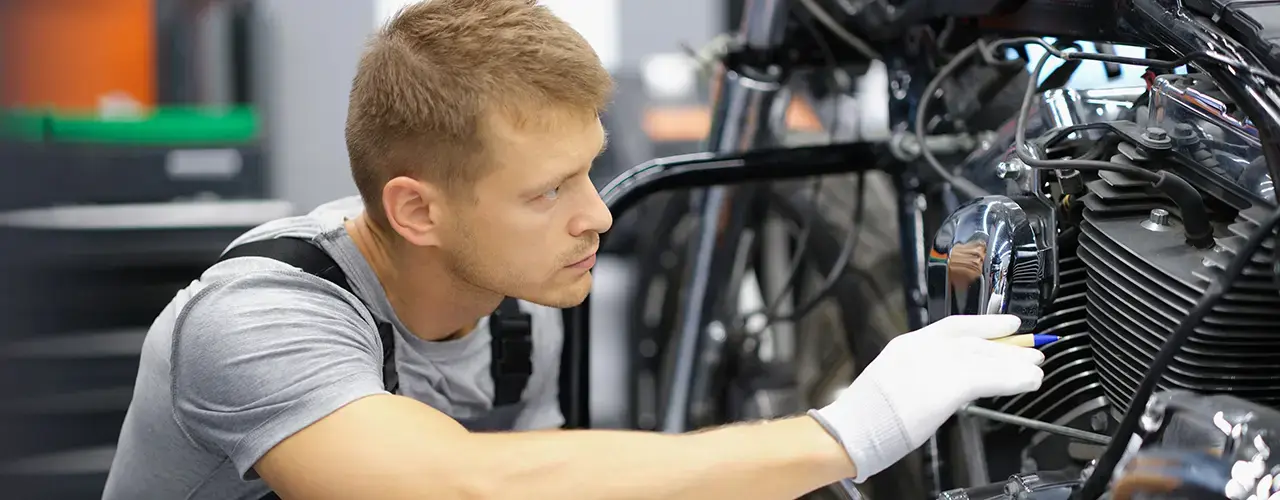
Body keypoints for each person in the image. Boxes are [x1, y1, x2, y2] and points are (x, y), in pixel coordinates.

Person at [102, 1, 1046, 498]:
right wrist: (854, 431)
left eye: (589, 171)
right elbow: (461, 487)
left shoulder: (516, 305)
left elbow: (549, 483)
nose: (598, 216)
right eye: (548, 190)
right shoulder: (258, 318)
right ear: (416, 211)